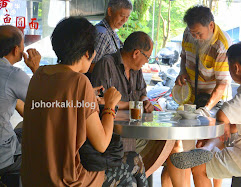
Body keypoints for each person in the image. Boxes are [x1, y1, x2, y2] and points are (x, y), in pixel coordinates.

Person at [21, 17, 148, 187]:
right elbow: (102, 144)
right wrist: (110, 106)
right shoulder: (80, 81)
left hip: (33, 177)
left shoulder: (39, 75)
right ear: (88, 53)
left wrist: (87, 97)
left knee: (129, 180)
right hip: (68, 181)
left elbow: (59, 101)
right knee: (134, 161)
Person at [171, 41, 241, 186]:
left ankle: (204, 151)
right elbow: (237, 124)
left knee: (199, 166)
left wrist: (225, 123)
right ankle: (206, 149)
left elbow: (223, 114)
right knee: (224, 136)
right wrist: (223, 129)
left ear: (235, 67)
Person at [162, 5, 232, 187]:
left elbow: (222, 84)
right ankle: (190, 156)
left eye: (199, 33)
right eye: (192, 33)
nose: (195, 37)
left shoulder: (222, 45)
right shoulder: (188, 33)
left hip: (214, 100)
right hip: (191, 98)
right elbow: (184, 57)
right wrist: (182, 72)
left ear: (211, 25)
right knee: (183, 152)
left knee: (209, 151)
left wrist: (206, 109)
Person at [0, 25, 41, 177]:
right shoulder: (13, 74)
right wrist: (36, 68)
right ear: (16, 50)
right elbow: (45, 102)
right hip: (4, 157)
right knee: (48, 151)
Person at [91, 31, 154, 113]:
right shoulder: (106, 64)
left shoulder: (137, 69)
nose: (147, 61)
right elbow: (100, 101)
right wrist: (132, 105)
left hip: (133, 123)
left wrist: (146, 102)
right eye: (147, 57)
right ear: (136, 53)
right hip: (110, 123)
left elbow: (142, 94)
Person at [86, 0, 132, 77]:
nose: (124, 20)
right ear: (110, 11)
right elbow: (89, 66)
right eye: (121, 15)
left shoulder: (112, 33)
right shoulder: (102, 34)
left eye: (127, 17)